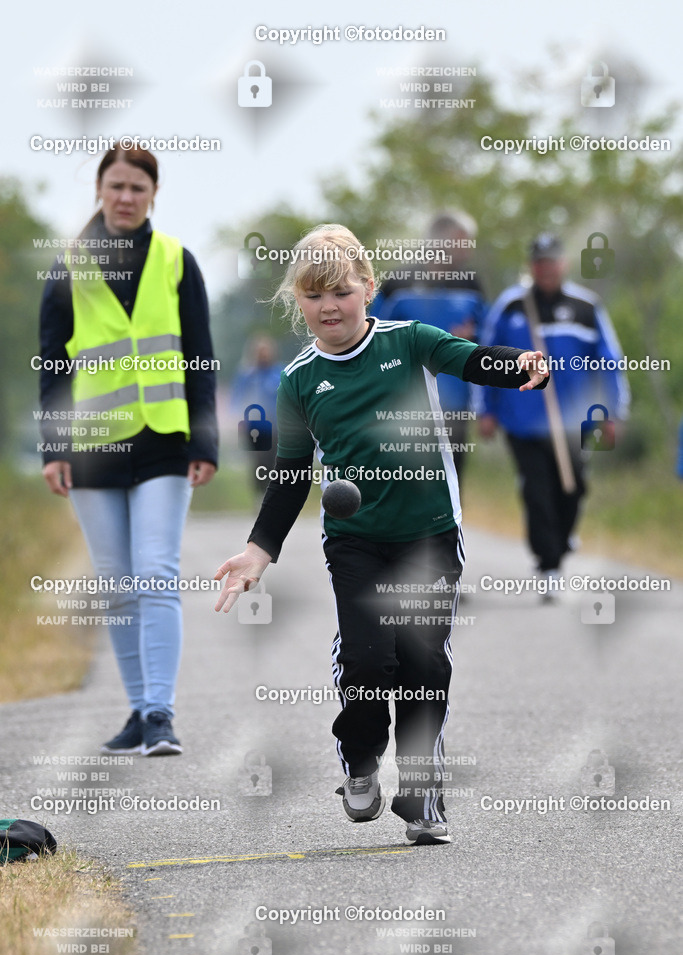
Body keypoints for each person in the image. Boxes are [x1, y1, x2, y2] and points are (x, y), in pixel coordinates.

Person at [213, 224, 549, 845]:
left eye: (341, 291)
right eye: (314, 296)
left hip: (430, 532)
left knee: (424, 661)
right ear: (297, 302)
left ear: (368, 288)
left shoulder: (409, 341)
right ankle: (361, 759)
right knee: (368, 658)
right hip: (356, 540)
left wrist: (519, 364)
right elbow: (291, 475)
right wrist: (259, 550)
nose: (329, 306)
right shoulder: (299, 380)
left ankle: (422, 795)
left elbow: (471, 359)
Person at [39, 142, 218, 756]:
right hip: (91, 447)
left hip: (163, 439)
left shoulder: (176, 260)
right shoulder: (68, 266)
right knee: (117, 587)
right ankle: (140, 711)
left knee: (156, 571)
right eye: (116, 185)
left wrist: (204, 439)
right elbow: (52, 365)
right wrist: (53, 449)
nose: (125, 197)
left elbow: (200, 353)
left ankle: (162, 713)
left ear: (153, 195)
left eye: (138, 188)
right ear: (99, 188)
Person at [477, 233, 630, 593]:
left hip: (575, 421)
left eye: (552, 261)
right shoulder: (511, 306)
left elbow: (610, 361)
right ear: (531, 266)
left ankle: (561, 541)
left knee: (573, 488)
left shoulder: (586, 306)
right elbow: (484, 359)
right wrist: (485, 409)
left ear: (564, 264)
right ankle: (549, 564)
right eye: (539, 262)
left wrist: (615, 412)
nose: (546, 268)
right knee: (537, 491)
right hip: (522, 420)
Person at [370, 213, 487, 480]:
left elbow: (488, 334)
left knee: (452, 480)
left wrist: (473, 336)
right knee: (410, 480)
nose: (468, 250)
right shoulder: (397, 284)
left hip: (454, 403)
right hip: (406, 401)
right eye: (462, 242)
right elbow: (373, 336)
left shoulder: (471, 285)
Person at [229, 334, 284, 494]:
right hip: (255, 428)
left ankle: (274, 493)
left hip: (276, 427)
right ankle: (260, 494)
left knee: (275, 461)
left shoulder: (280, 373)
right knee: (259, 461)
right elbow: (237, 398)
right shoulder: (247, 375)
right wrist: (237, 419)